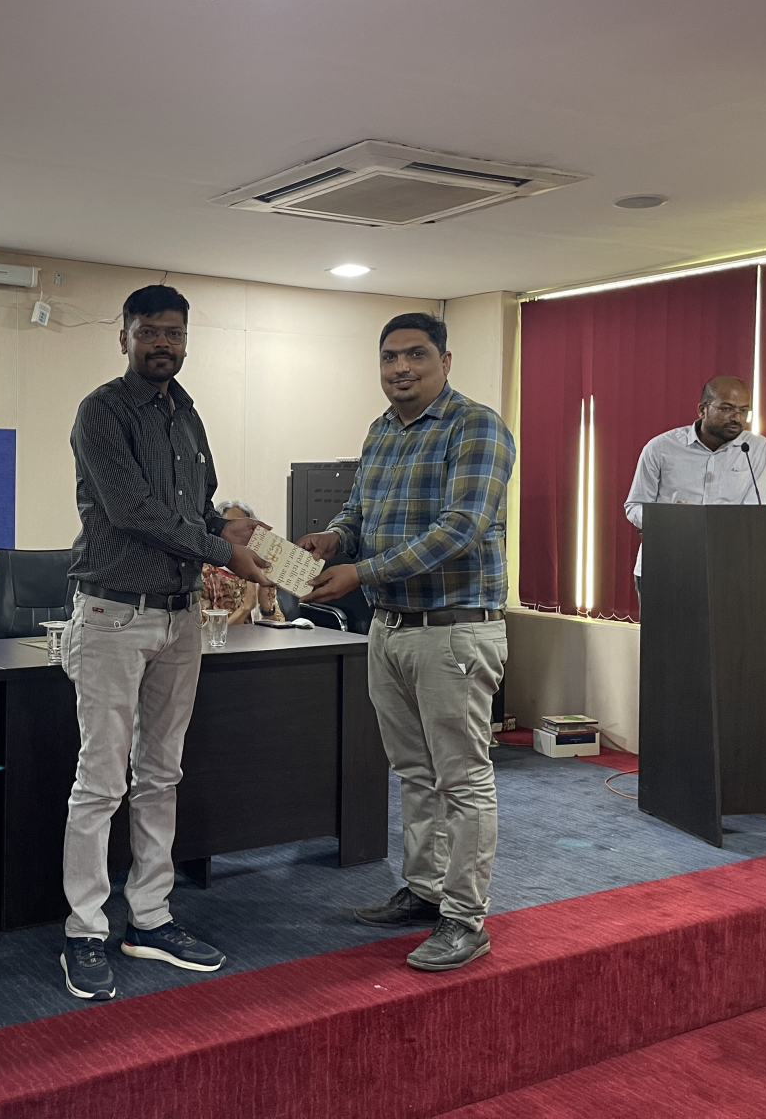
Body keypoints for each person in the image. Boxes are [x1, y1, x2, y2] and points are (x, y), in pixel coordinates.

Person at [59, 283, 273, 1002]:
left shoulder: (186, 413)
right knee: (100, 781)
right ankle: (85, 929)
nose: (162, 344)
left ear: (186, 341)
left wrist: (235, 535)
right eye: (149, 331)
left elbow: (195, 508)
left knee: (161, 775)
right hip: (113, 615)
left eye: (174, 333)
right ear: (123, 336)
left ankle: (149, 918)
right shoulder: (102, 410)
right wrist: (222, 550)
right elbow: (133, 511)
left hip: (181, 618)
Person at [301, 311, 514, 973]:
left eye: (416, 354)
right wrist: (334, 538)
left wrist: (360, 571)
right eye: (390, 357)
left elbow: (460, 528)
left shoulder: (476, 427)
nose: (401, 368)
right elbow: (360, 513)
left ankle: (465, 918)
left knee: (462, 779)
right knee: (415, 773)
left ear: (445, 361)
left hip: (454, 629)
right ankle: (426, 892)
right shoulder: (381, 431)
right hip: (389, 628)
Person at [625, 375, 766, 598]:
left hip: (725, 567)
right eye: (726, 408)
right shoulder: (660, 448)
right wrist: (666, 517)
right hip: (665, 564)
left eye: (744, 410)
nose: (737, 418)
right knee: (666, 623)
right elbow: (634, 506)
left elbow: (753, 512)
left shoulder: (755, 448)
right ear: (702, 410)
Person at [201, 500, 284, 624]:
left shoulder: (262, 569)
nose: (237, 534)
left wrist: (266, 608)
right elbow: (205, 631)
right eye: (231, 526)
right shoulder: (206, 573)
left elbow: (280, 625)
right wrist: (246, 607)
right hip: (226, 637)